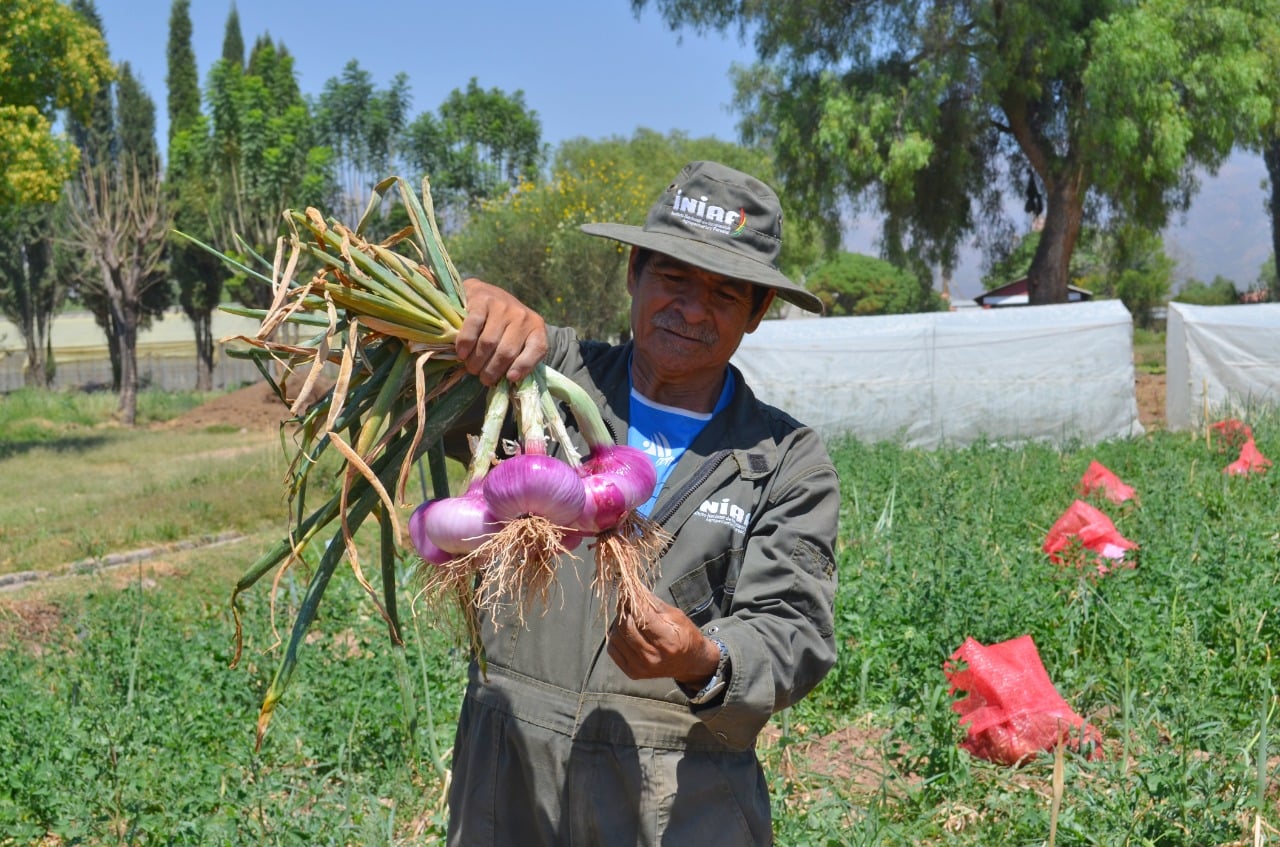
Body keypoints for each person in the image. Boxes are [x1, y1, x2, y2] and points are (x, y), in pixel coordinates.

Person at [444, 160, 839, 846]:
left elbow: (794, 629)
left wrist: (703, 657)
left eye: (724, 293)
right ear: (634, 272)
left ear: (757, 312)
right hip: (506, 783)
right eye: (674, 278)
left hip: (678, 800)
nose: (693, 309)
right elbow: (382, 369)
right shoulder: (541, 373)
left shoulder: (783, 458)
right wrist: (465, 303)